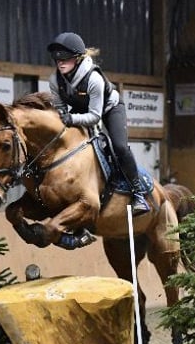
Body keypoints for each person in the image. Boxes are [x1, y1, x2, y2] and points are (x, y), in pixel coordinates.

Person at [47, 31, 150, 216]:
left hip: (109, 109)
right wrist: (63, 118)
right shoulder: (55, 80)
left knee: (119, 147)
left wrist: (71, 119)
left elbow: (94, 116)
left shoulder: (93, 79)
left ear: (77, 58)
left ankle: (138, 193)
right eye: (57, 59)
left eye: (65, 58)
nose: (60, 62)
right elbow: (61, 108)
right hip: (80, 110)